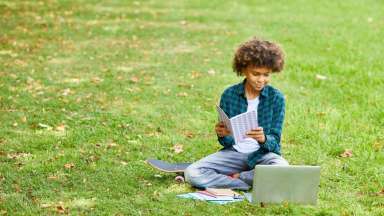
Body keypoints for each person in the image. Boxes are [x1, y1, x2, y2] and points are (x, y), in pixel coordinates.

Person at [184, 38, 289, 191]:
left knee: (283, 167)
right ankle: (243, 183)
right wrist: (223, 134)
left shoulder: (276, 98)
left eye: (266, 75)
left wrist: (263, 138)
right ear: (244, 69)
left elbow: (275, 143)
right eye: (256, 74)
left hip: (262, 155)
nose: (261, 80)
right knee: (192, 173)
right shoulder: (230, 95)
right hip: (234, 153)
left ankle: (240, 177)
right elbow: (226, 142)